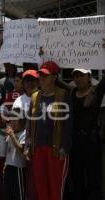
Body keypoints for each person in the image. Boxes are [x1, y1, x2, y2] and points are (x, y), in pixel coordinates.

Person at [24, 61, 73, 200]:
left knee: (56, 188)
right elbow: (30, 122)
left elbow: (68, 124)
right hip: (38, 148)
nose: (41, 78)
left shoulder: (63, 95)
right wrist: (27, 145)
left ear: (54, 77)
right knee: (41, 187)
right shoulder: (35, 96)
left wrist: (65, 146)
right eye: (40, 75)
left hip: (56, 149)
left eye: (45, 75)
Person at [68, 68, 105, 200]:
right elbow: (57, 80)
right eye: (75, 76)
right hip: (75, 142)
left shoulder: (97, 92)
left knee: (93, 177)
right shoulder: (72, 93)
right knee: (76, 178)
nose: (78, 79)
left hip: (92, 142)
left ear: (89, 77)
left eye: (81, 75)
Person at [12, 69, 39, 200]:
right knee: (25, 179)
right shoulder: (18, 101)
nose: (29, 83)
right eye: (27, 81)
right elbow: (14, 124)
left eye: (33, 80)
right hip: (21, 145)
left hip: (39, 145)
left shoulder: (43, 97)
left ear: (38, 81)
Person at [3, 108, 27, 200]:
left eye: (14, 119)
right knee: (8, 193)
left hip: (19, 168)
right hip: (9, 166)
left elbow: (21, 150)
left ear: (21, 121)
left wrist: (12, 136)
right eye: (10, 119)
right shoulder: (10, 133)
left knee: (18, 194)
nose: (11, 122)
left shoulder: (23, 133)